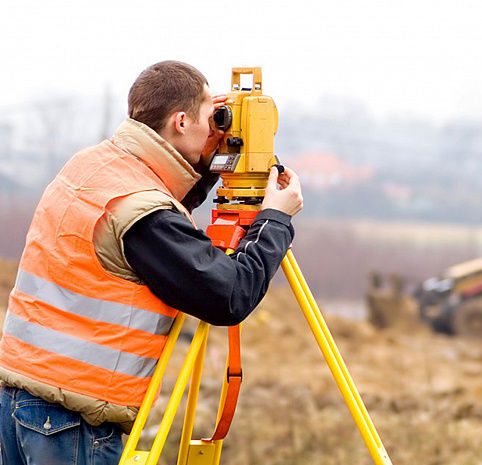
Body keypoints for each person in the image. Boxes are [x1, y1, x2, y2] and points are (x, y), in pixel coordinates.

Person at [0, 61, 303, 465]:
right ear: (180, 121)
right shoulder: (143, 212)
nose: (215, 127)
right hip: (72, 424)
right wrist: (275, 220)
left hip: (19, 403)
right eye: (206, 118)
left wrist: (208, 160)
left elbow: (161, 211)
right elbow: (230, 295)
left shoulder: (95, 165)